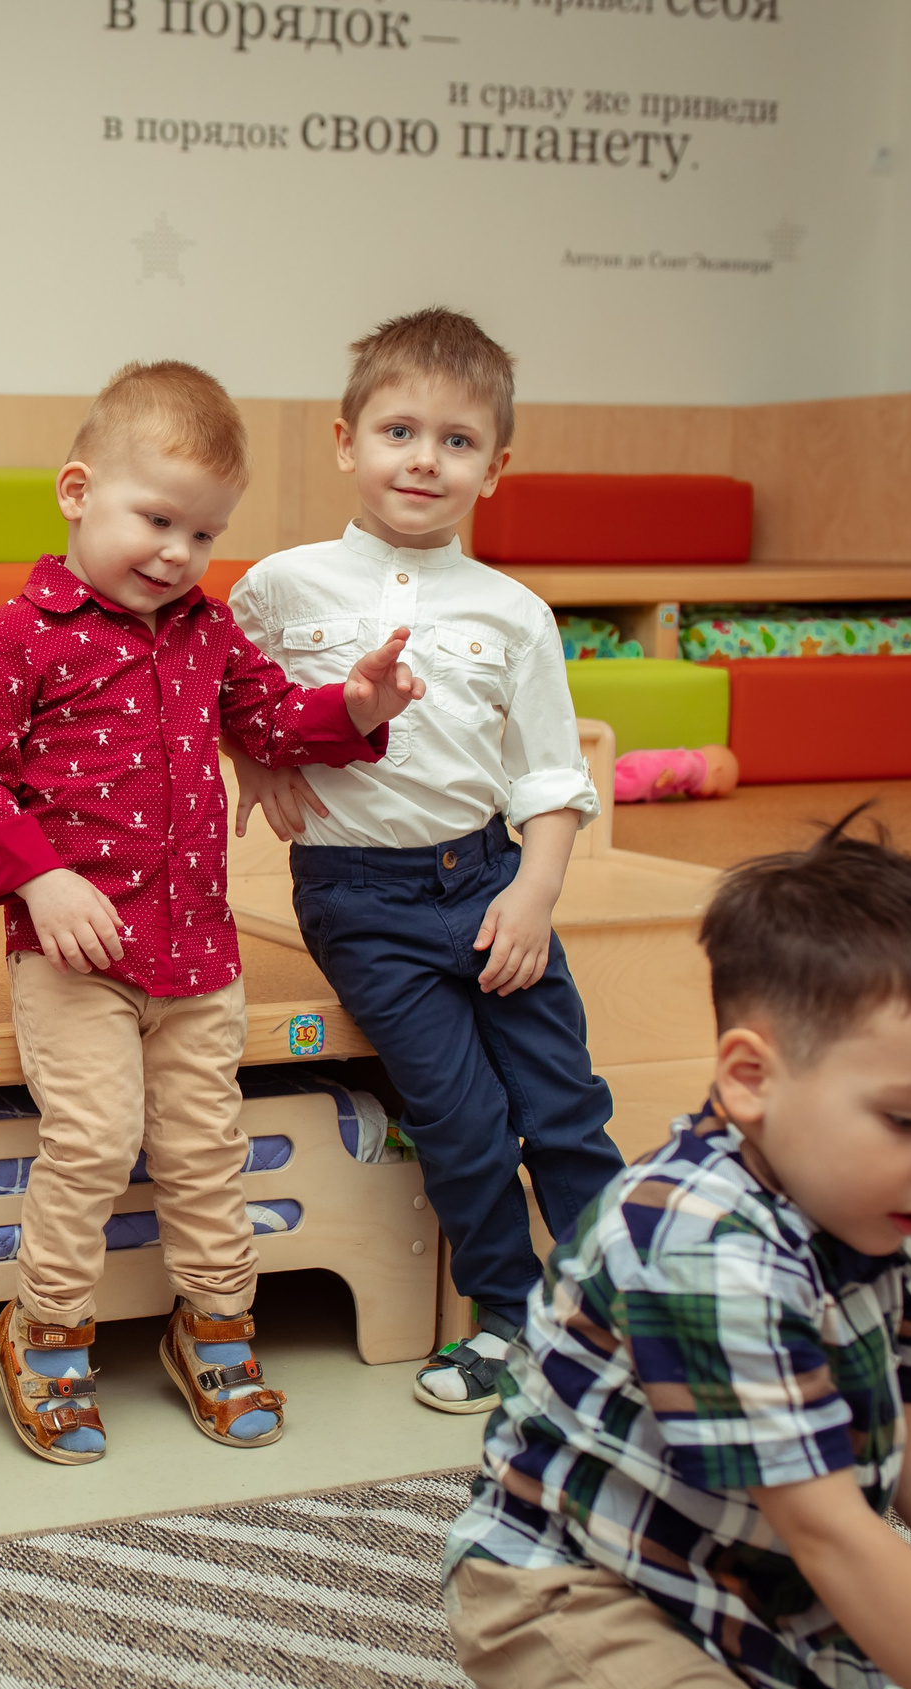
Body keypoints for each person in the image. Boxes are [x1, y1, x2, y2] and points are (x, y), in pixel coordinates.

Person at [0, 360, 421, 1460]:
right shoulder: (15, 636)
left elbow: (273, 721)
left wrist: (355, 705)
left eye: (203, 534)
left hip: (199, 950)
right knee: (96, 1139)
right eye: (155, 520)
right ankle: (42, 1328)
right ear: (77, 493)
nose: (176, 553)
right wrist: (40, 879)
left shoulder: (206, 633)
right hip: (77, 955)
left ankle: (214, 1327)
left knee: (208, 1149)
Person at [442, 817, 911, 1689]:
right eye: (910, 1120)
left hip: (756, 1594)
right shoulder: (697, 1247)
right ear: (751, 1077)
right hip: (574, 1590)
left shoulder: (875, 1204)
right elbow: (831, 1533)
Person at [226, 308, 626, 1414]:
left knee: (564, 1107)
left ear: (494, 468)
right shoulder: (282, 585)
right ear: (346, 441)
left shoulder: (515, 613)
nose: (424, 460)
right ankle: (509, 1317)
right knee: (461, 1119)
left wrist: (534, 896)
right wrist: (252, 757)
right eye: (399, 431)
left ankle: (620, 1317)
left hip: (493, 879)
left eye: (457, 442)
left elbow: (551, 779)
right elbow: (209, 681)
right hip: (360, 898)